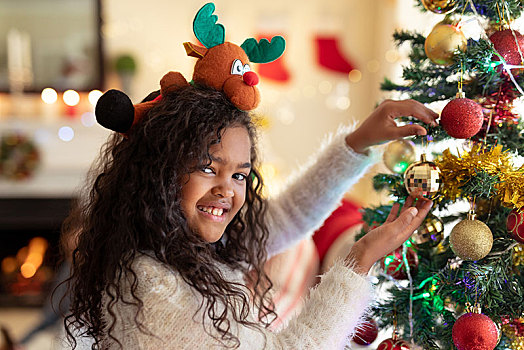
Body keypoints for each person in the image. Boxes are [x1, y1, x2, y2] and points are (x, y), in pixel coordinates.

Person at [63, 4, 438, 349]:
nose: (227, 188)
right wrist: (358, 261)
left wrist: (358, 143)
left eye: (240, 175)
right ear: (158, 173)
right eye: (208, 167)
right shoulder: (151, 289)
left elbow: (289, 215)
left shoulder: (190, 249)